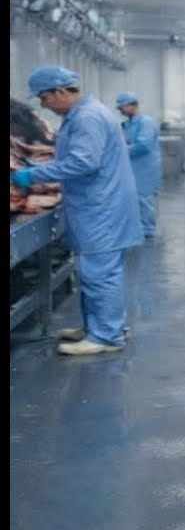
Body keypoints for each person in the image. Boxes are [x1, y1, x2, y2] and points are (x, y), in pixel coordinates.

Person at [10, 66, 143, 355]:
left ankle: (106, 337)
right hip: (96, 205)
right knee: (97, 272)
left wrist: (32, 175)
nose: (43, 105)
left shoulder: (87, 117)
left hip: (101, 208)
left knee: (100, 273)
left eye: (44, 98)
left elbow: (84, 163)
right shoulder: (82, 115)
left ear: (59, 92)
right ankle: (100, 326)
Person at [116, 92, 162, 238]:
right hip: (132, 167)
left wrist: (120, 150)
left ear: (132, 105)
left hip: (144, 167)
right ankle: (136, 227)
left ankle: (147, 230)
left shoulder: (145, 122)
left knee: (143, 198)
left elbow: (143, 146)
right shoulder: (127, 124)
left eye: (122, 107)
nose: (120, 111)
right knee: (132, 198)